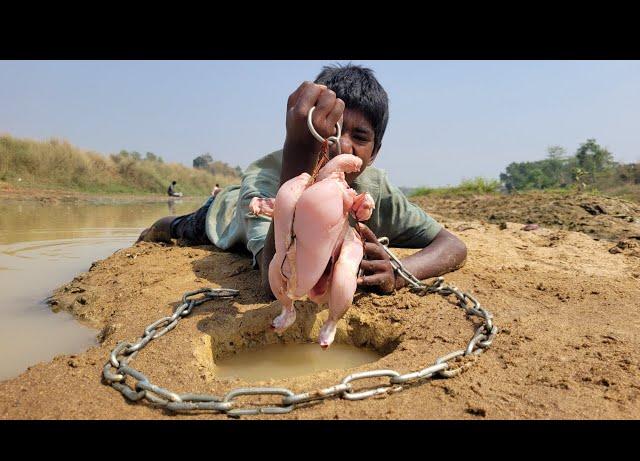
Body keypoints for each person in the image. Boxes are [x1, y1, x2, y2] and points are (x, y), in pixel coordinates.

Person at [138, 64, 467, 297]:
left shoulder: (375, 191)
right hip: (228, 214)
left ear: (375, 152)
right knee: (184, 228)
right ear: (313, 128)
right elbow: (273, 284)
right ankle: (153, 228)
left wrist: (399, 272)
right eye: (333, 129)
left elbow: (452, 245)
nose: (343, 145)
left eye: (360, 136)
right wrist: (299, 160)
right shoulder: (267, 179)